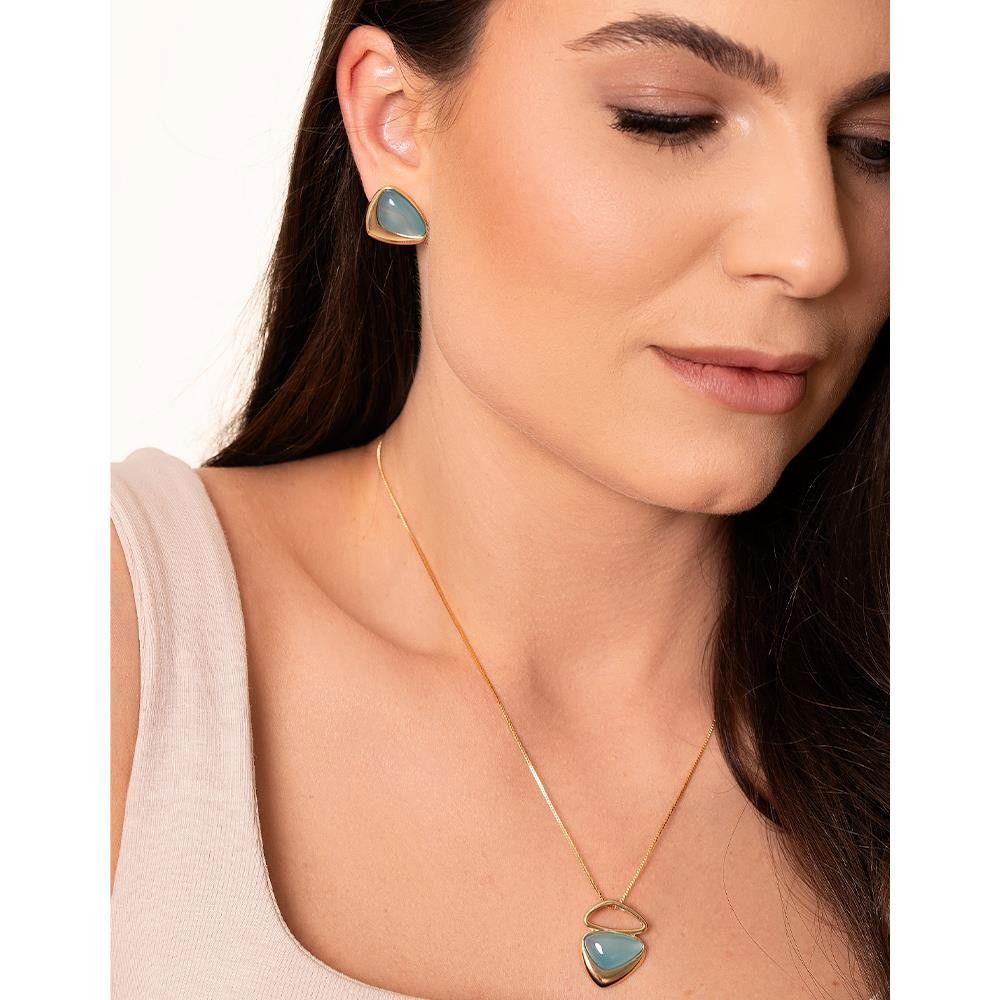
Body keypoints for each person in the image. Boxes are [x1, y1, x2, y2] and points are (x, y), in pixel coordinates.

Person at [110, 1, 888, 997]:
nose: (813, 252)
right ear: (395, 121)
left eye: (878, 148)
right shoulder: (121, 635)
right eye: (667, 119)